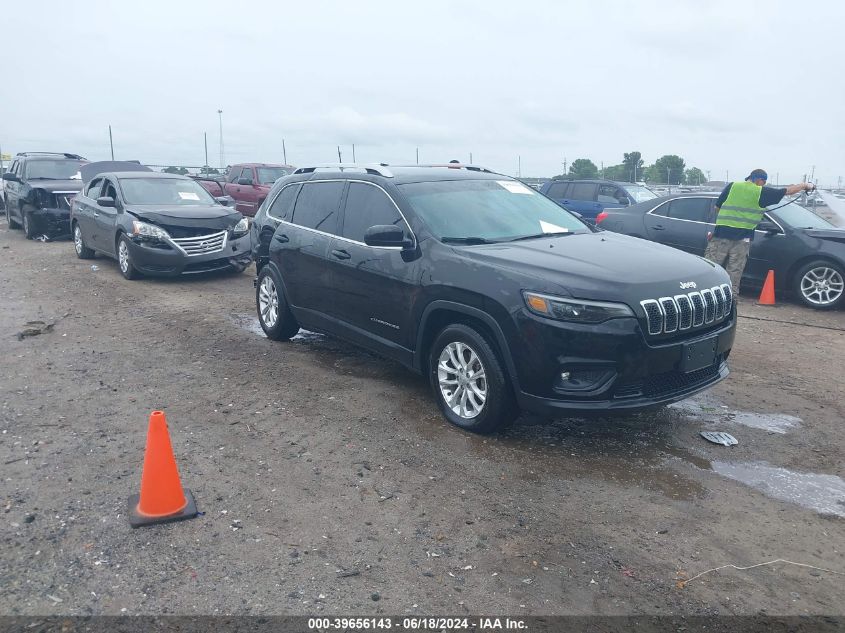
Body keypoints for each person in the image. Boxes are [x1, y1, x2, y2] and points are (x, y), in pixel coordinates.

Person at [704, 169, 813, 292]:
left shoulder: (733, 186)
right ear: (760, 180)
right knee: (734, 272)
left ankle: (705, 295)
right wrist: (805, 185)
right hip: (742, 239)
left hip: (721, 235)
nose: (764, 185)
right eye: (764, 182)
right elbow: (788, 191)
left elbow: (717, 207)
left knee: (711, 268)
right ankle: (731, 302)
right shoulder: (760, 192)